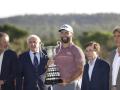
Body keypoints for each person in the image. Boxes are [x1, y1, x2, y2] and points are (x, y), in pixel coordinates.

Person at [48, 24, 85, 90]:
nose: (64, 35)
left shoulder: (77, 50)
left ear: (72, 34)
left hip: (72, 84)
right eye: (62, 33)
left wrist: (68, 81)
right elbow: (51, 67)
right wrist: (49, 65)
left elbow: (81, 69)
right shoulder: (55, 49)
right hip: (57, 84)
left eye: (67, 33)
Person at [109, 25, 120, 90]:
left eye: (119, 36)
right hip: (112, 87)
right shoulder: (112, 53)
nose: (116, 39)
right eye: (115, 36)